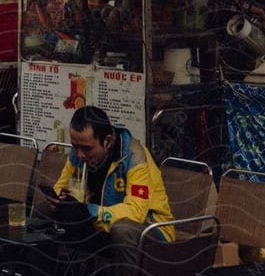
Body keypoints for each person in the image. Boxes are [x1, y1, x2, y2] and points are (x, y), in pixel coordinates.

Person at [51, 104, 174, 267]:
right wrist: (60, 202)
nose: (79, 154)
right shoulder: (79, 154)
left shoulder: (134, 157)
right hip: (103, 224)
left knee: (122, 230)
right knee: (44, 212)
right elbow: (61, 187)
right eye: (75, 147)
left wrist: (89, 212)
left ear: (107, 142)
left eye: (87, 149)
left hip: (151, 230)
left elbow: (136, 212)